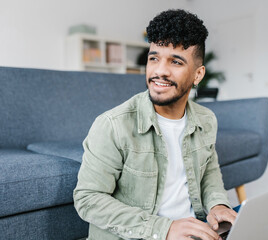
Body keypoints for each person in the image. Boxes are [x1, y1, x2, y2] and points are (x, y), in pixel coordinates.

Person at [74, 9, 237, 240]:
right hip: (145, 235)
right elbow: (88, 199)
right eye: (154, 58)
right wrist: (165, 229)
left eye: (176, 62)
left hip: (193, 231)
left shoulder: (206, 119)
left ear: (198, 74)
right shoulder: (112, 125)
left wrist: (218, 205)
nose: (159, 71)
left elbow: (209, 173)